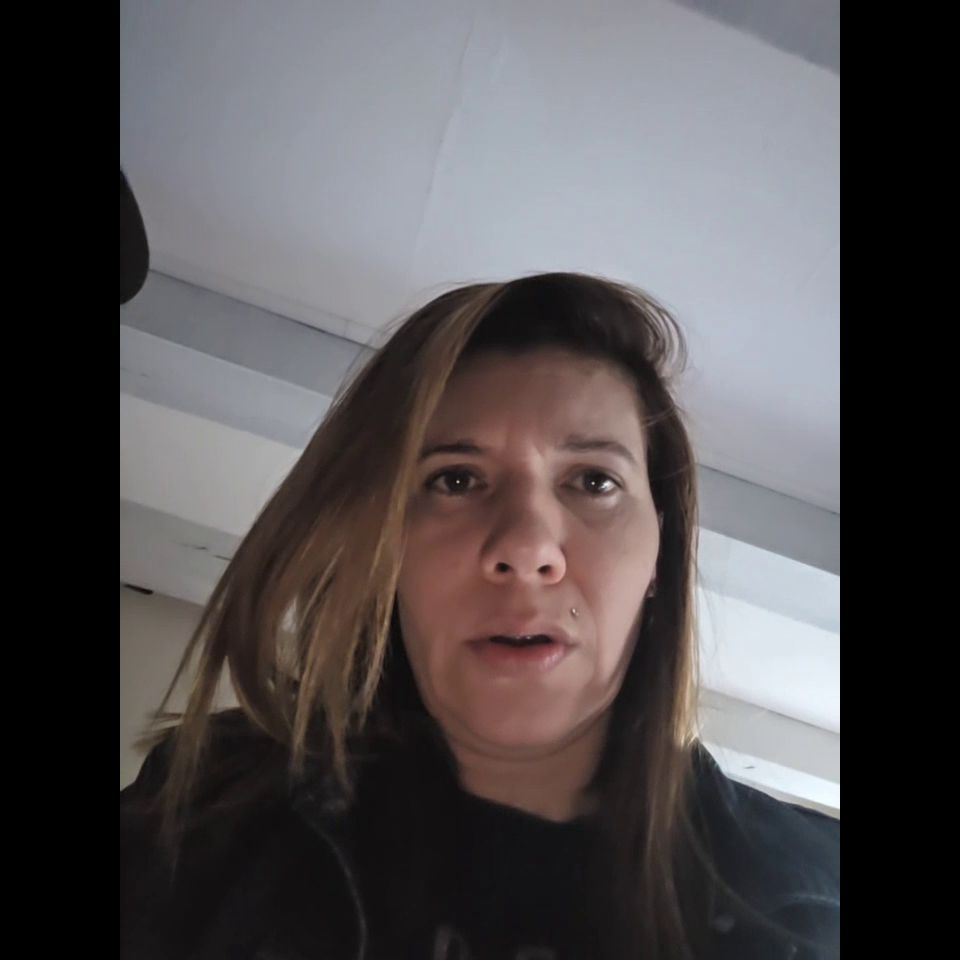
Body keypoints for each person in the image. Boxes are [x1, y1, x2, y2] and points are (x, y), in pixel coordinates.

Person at [120, 272, 839, 959]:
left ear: (661, 553)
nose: (525, 549)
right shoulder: (201, 816)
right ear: (384, 546)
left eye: (594, 481)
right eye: (455, 480)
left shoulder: (813, 905)